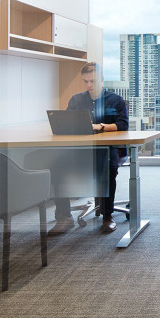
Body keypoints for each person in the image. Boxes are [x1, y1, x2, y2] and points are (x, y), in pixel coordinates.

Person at [49, 62, 128, 235]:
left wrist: (100, 126)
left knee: (107, 167)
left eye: (92, 81)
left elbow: (123, 125)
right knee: (56, 165)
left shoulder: (115, 100)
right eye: (85, 81)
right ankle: (64, 217)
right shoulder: (77, 100)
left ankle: (108, 216)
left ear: (102, 79)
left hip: (109, 149)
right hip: (81, 149)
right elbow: (66, 122)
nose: (89, 85)